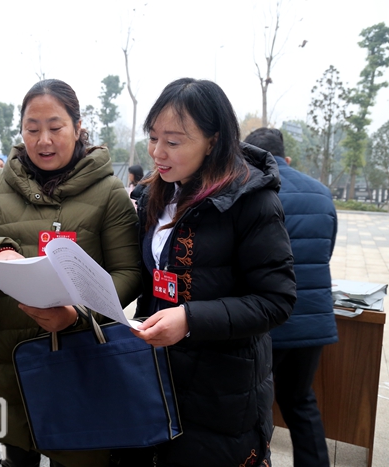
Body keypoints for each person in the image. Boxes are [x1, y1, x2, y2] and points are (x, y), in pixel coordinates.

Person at [0, 79, 141, 467]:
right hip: (7, 353)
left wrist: (77, 315)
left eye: (55, 127)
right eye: (32, 128)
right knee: (16, 453)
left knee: (74, 453)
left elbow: (127, 272)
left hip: (77, 353)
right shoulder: (0, 182)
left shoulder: (108, 192)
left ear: (77, 126)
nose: (43, 141)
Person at [129, 78, 296, 467]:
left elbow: (277, 300)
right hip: (158, 372)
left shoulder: (252, 201)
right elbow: (149, 277)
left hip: (221, 390)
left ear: (213, 141)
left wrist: (190, 318)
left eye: (173, 142)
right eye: (153, 138)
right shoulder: (156, 195)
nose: (157, 152)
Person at [244, 127, 337, 466]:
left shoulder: (251, 189)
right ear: (286, 157)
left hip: (265, 320)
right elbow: (325, 250)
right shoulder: (321, 193)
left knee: (250, 406)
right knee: (299, 401)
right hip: (312, 320)